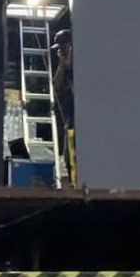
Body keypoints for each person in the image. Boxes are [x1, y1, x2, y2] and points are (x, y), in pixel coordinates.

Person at [51, 29, 75, 178]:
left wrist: (70, 61)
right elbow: (56, 86)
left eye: (63, 48)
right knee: (69, 159)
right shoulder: (64, 68)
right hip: (71, 124)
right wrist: (62, 64)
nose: (60, 51)